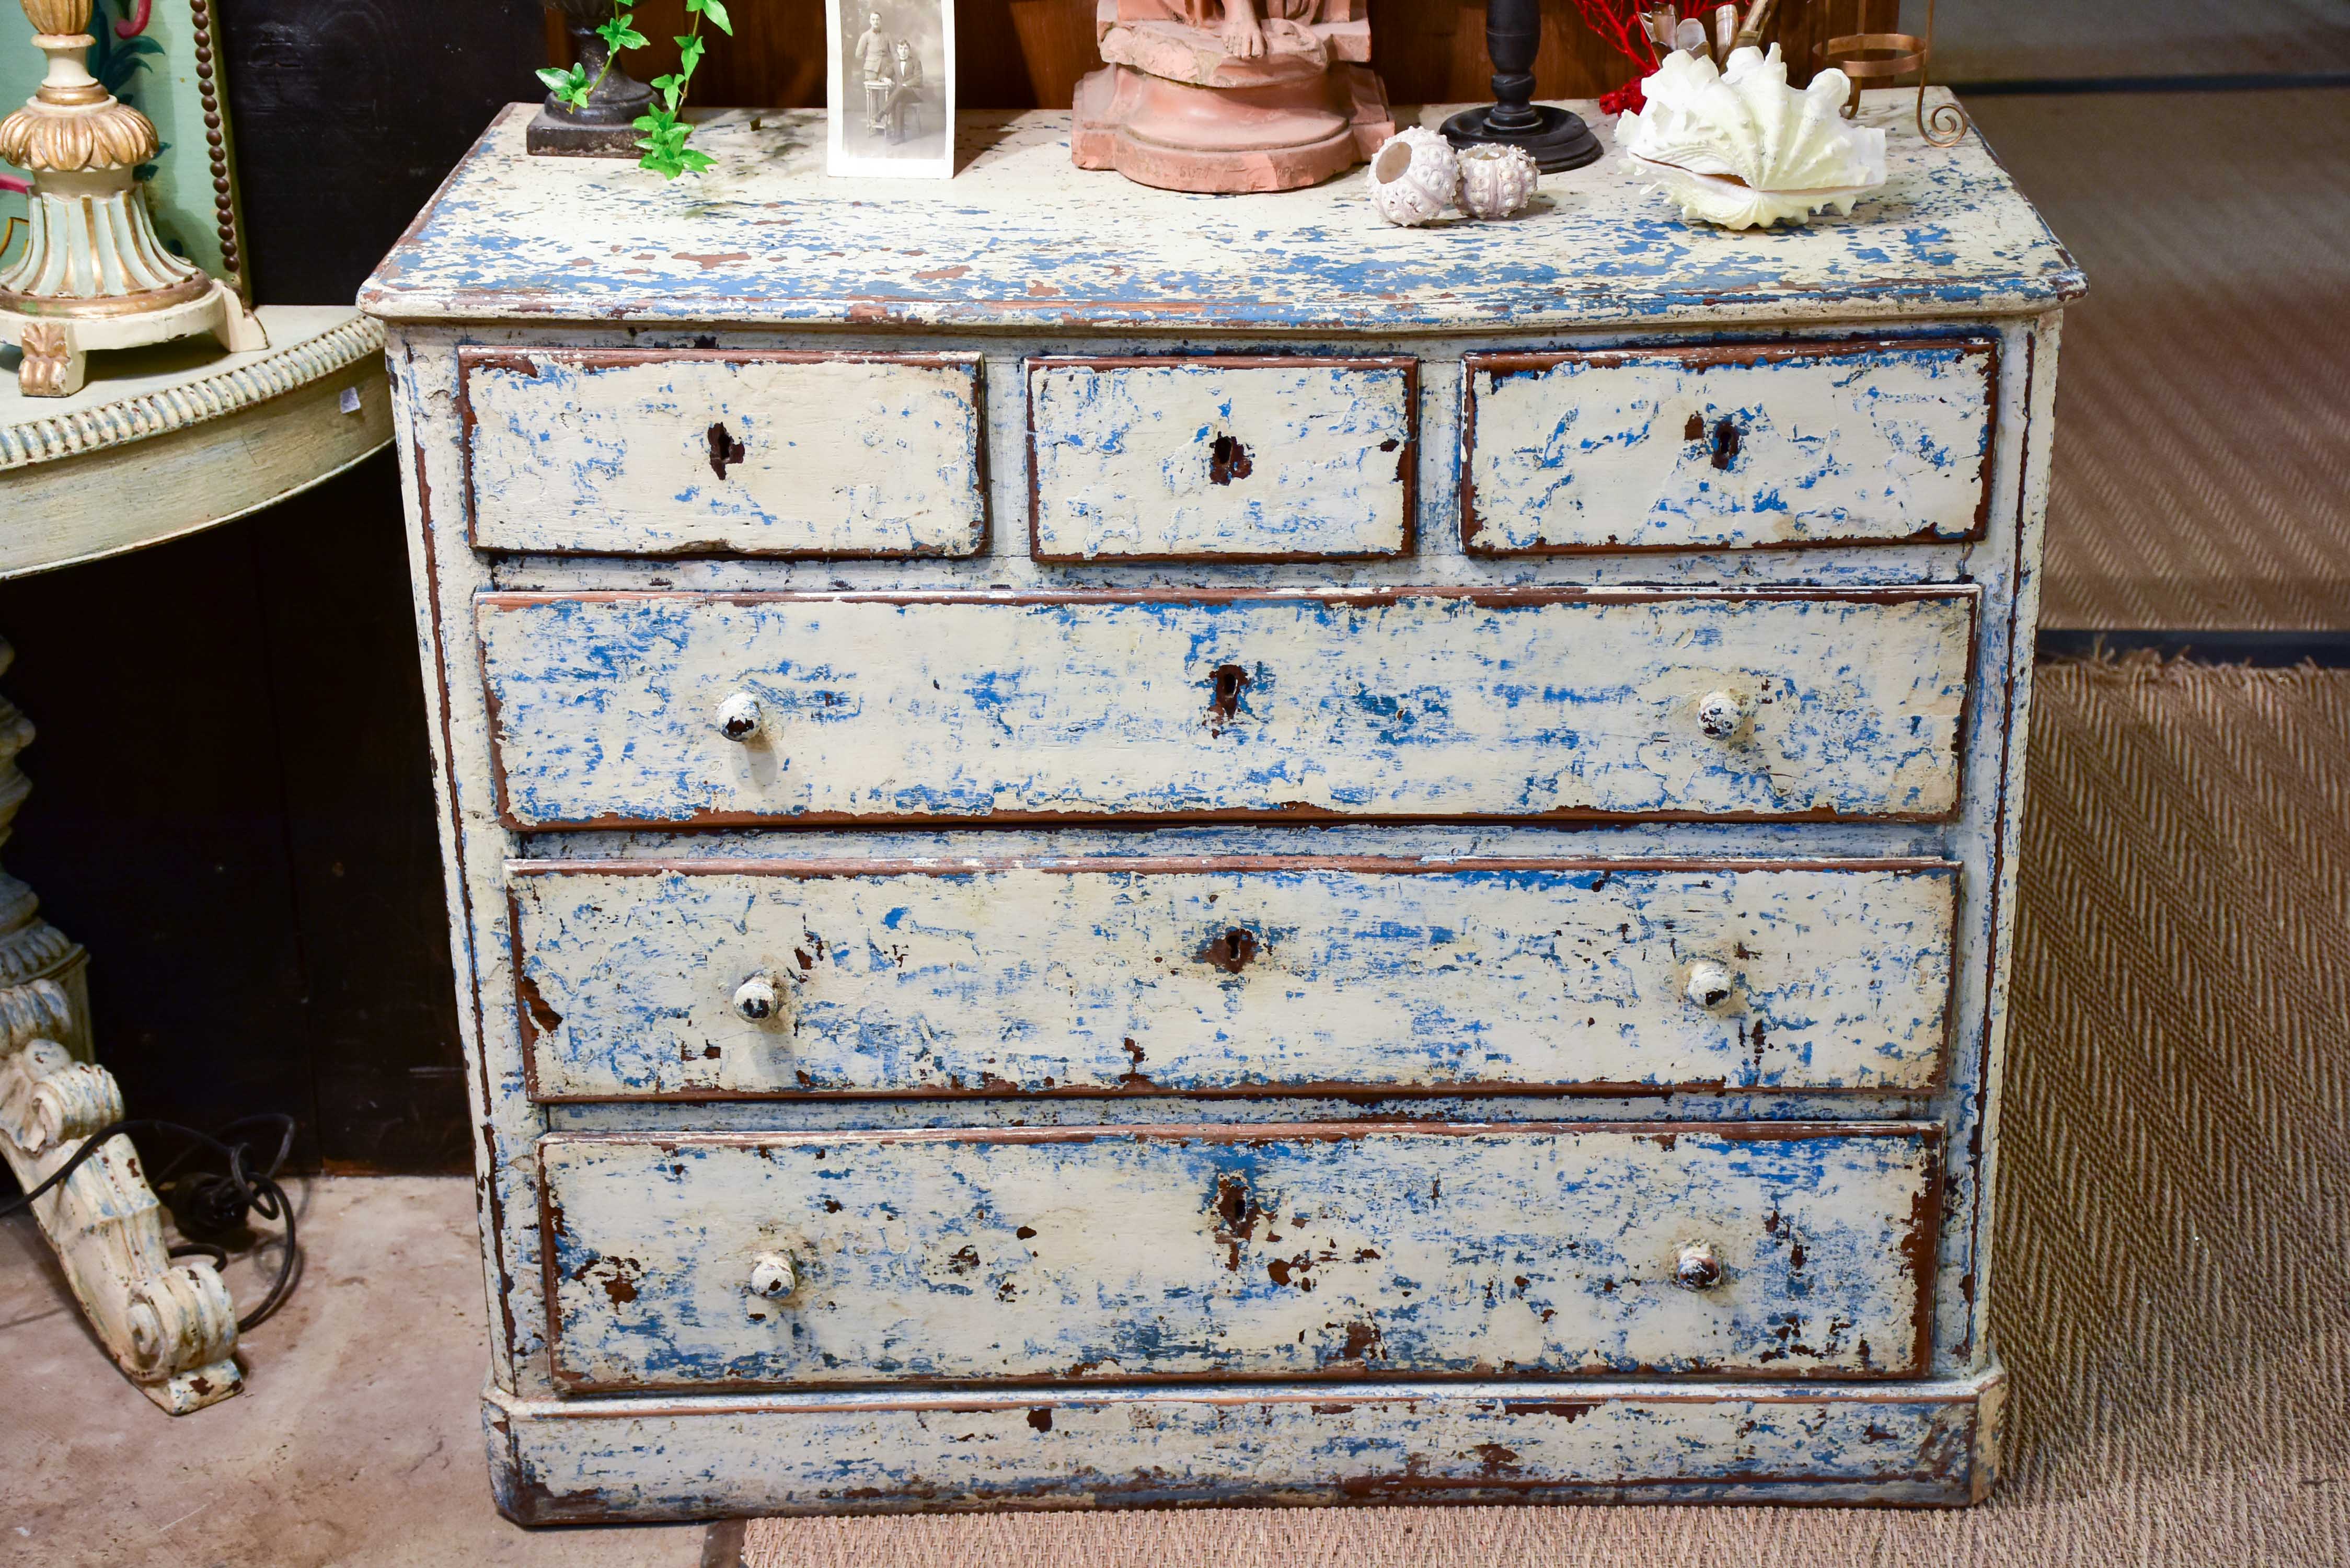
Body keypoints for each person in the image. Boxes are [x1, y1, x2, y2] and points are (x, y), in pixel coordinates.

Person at [855, 10, 893, 131]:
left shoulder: (887, 35)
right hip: (871, 71)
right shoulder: (865, 36)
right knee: (874, 97)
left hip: (886, 69)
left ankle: (888, 121)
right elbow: (858, 54)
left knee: (889, 94)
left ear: (881, 21)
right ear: (870, 21)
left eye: (878, 19)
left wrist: (899, 64)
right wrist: (870, 61)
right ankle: (876, 123)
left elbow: (894, 52)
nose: (876, 22)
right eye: (873, 19)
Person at [885, 38, 925, 142]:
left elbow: (918, 79)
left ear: (909, 50)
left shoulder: (916, 62)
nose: (903, 51)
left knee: (901, 89)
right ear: (898, 50)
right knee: (898, 104)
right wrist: (885, 78)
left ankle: (883, 112)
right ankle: (899, 136)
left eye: (906, 49)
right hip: (901, 95)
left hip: (914, 93)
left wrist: (905, 85)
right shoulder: (895, 63)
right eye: (901, 48)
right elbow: (885, 74)